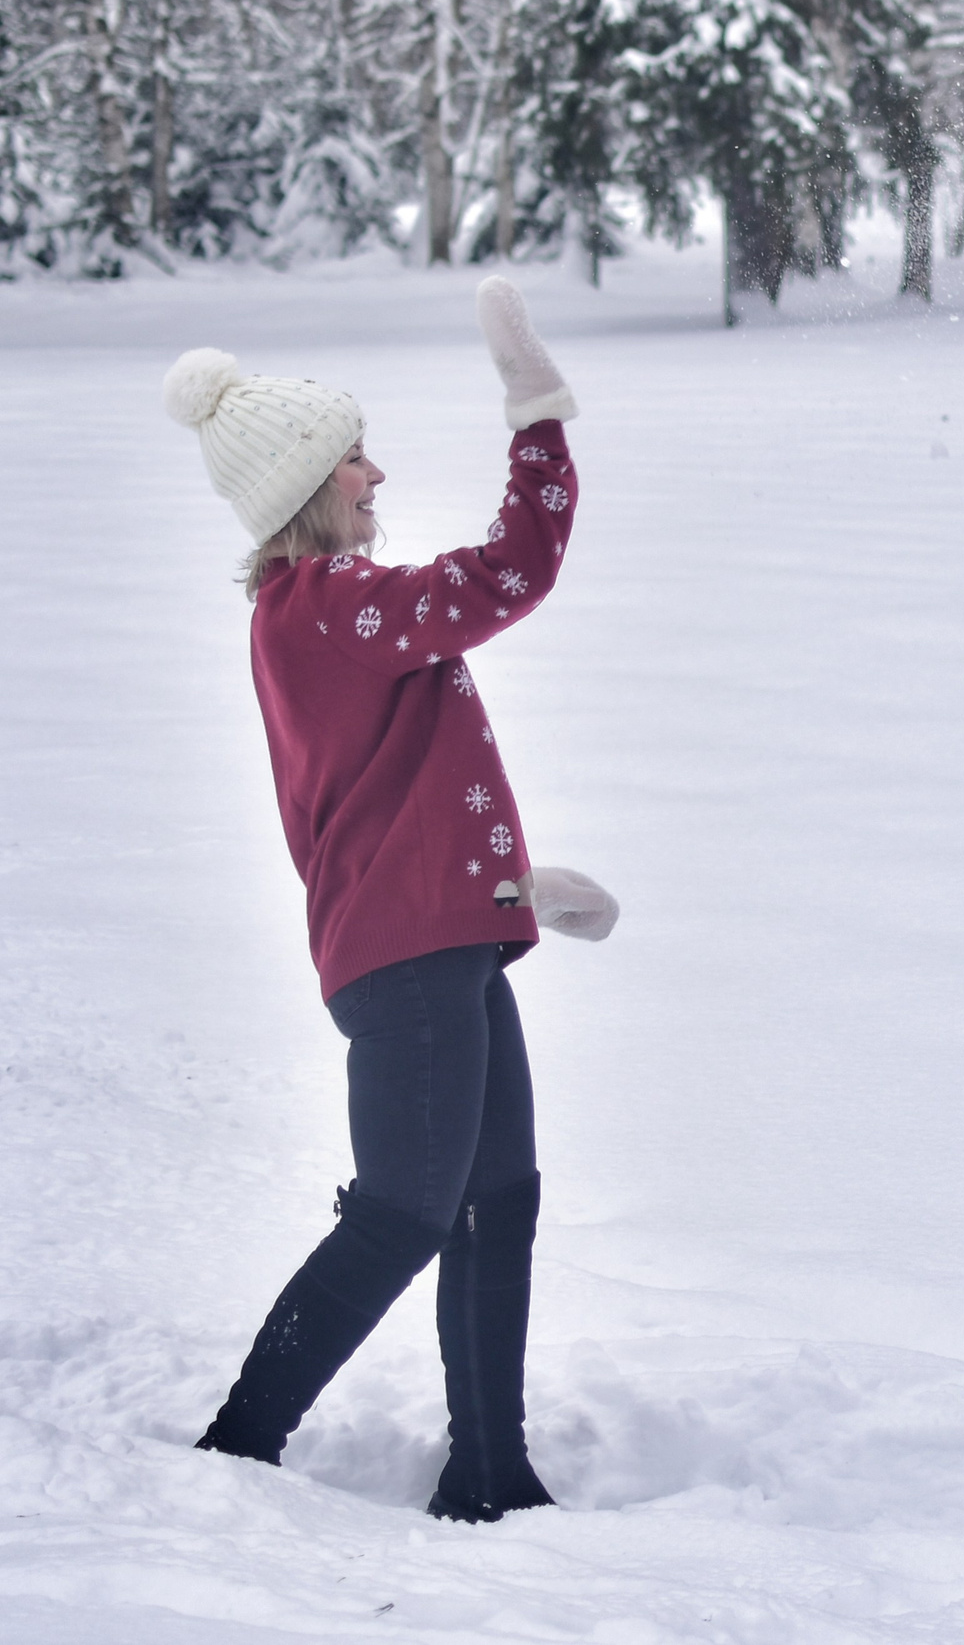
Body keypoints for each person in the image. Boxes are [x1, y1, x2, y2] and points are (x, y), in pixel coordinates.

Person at [165, 278, 618, 1522]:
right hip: (408, 967)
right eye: (353, 455)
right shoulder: (322, 606)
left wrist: (511, 888)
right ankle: (235, 1449)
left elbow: (386, 793)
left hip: (440, 947)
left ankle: (489, 1474)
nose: (376, 471)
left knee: (497, 1203)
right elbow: (514, 570)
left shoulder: (328, 618)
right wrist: (536, 412)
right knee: (406, 1213)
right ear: (306, 486)